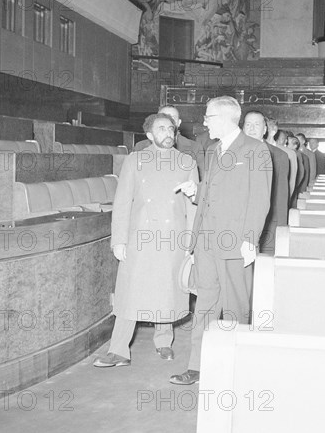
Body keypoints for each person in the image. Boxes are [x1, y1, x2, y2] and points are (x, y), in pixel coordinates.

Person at [170, 96, 272, 385]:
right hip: (206, 242)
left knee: (236, 307)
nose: (204, 122)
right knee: (204, 305)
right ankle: (197, 365)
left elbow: (259, 199)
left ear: (226, 118)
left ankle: (237, 368)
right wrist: (195, 191)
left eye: (208, 117)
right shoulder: (213, 150)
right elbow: (212, 191)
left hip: (235, 242)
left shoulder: (255, 149)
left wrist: (250, 239)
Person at [93, 113, 199, 368]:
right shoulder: (135, 160)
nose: (168, 133)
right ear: (149, 135)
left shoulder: (187, 162)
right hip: (139, 237)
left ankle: (163, 342)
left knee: (166, 289)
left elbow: (194, 206)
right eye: (161, 129)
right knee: (130, 292)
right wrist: (118, 240)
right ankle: (118, 349)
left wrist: (190, 242)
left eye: (171, 128)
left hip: (173, 236)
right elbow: (122, 201)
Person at [243, 111, 288, 253]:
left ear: (265, 130)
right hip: (238, 224)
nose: (251, 129)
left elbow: (281, 196)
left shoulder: (279, 156)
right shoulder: (233, 153)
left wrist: (281, 229)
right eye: (248, 124)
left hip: (267, 224)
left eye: (257, 125)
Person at [135, 105, 205, 179]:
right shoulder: (141, 147)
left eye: (173, 118)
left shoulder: (195, 148)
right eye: (162, 117)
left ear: (179, 122)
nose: (168, 121)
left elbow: (201, 180)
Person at [267, 119, 299, 206]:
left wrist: (284, 202)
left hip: (278, 202)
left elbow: (291, 183)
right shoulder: (254, 148)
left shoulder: (288, 154)